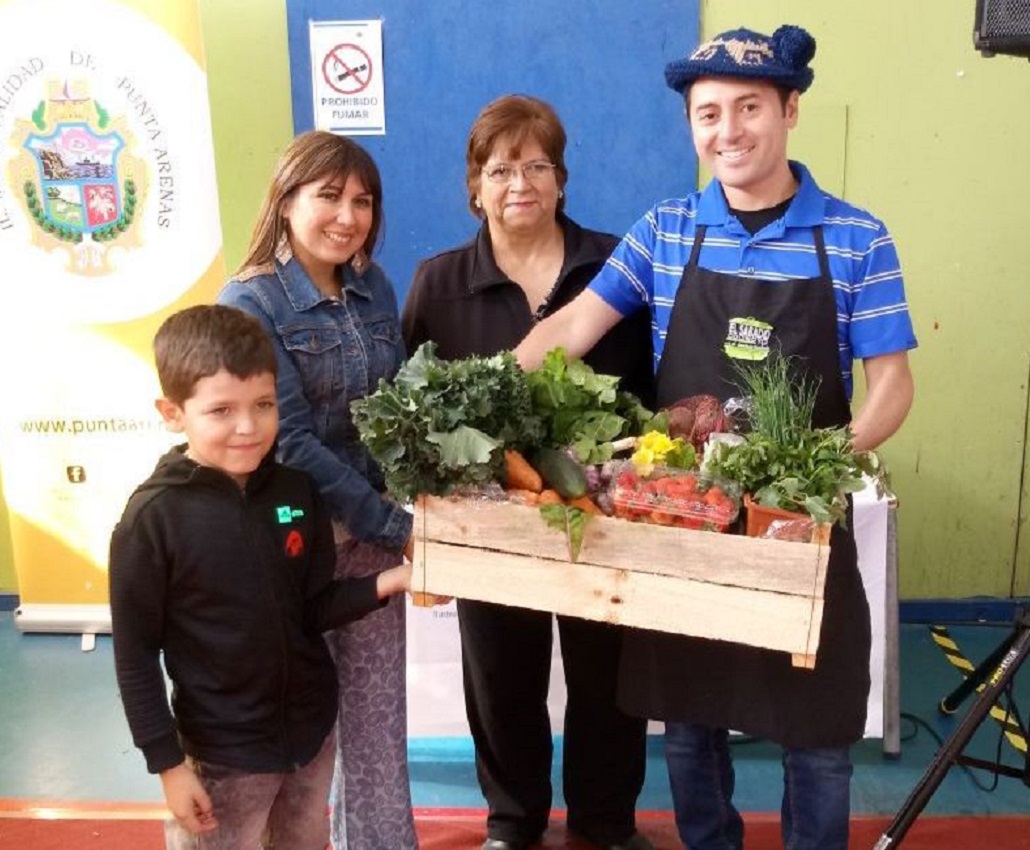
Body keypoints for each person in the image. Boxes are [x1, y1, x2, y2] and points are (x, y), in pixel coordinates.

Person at [514, 25, 916, 850]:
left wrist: (817, 466)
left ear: (791, 109)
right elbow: (575, 326)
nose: (727, 131)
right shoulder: (666, 230)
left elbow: (893, 386)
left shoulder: (855, 238)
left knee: (815, 731)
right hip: (682, 513)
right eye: (707, 114)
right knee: (690, 723)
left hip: (796, 520)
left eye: (748, 108)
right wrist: (483, 390)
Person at [402, 94, 655, 850]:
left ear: (562, 178)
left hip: (601, 516)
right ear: (474, 184)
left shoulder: (616, 267)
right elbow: (417, 409)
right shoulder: (439, 283)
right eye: (501, 167)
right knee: (501, 679)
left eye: (538, 165)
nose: (521, 182)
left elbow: (650, 387)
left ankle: (606, 822)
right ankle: (512, 822)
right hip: (490, 521)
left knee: (609, 680)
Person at [109, 304, 412, 850]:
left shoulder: (297, 491)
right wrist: (169, 766)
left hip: (311, 738)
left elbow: (313, 607)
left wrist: (390, 582)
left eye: (264, 405)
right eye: (221, 410)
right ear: (173, 412)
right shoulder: (151, 520)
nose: (248, 427)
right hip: (224, 756)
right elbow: (134, 658)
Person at [218, 131, 419, 849]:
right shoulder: (250, 303)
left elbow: (394, 418)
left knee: (378, 719)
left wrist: (413, 510)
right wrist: (396, 527)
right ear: (286, 200)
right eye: (329, 196)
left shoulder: (375, 288)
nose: (348, 215)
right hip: (290, 543)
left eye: (362, 201)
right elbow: (289, 440)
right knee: (300, 731)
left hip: (372, 539)